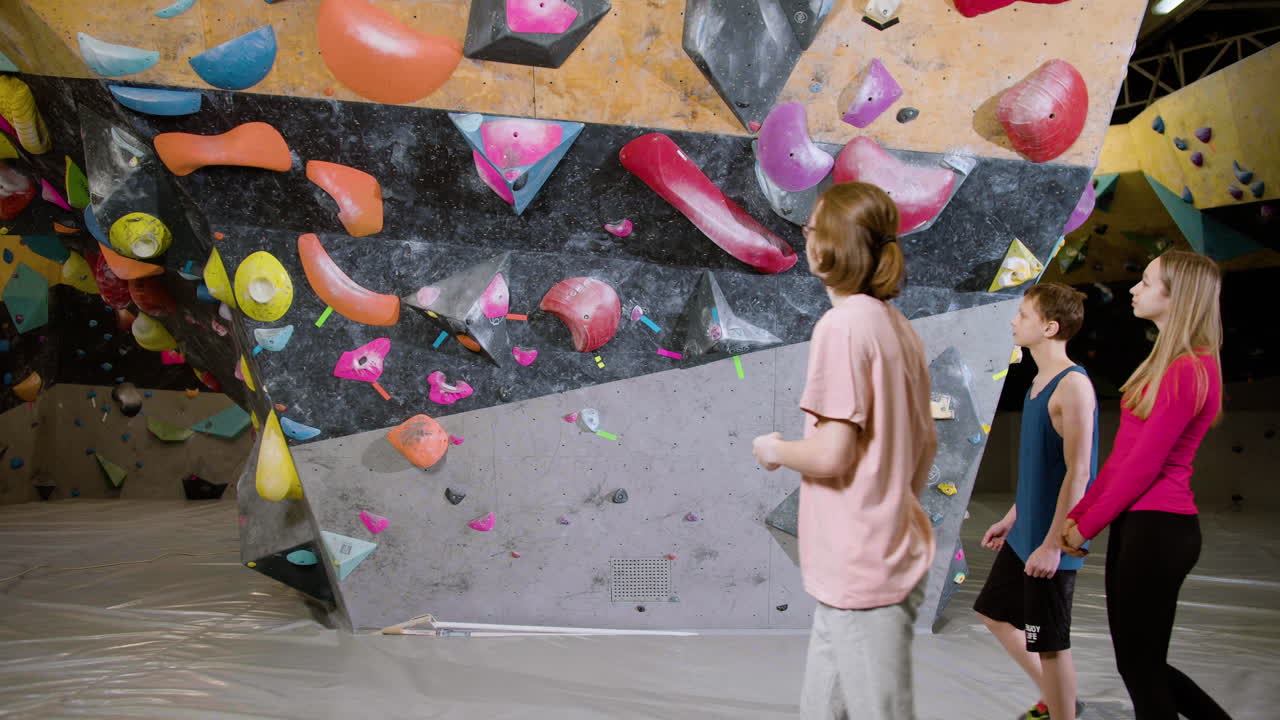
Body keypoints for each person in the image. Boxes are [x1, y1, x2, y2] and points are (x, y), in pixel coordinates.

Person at [752, 182, 935, 720]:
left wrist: (776, 449)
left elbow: (833, 455)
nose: (806, 235)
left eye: (810, 227)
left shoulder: (844, 325)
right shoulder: (898, 327)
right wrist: (890, 506)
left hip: (859, 560)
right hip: (876, 552)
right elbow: (926, 441)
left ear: (825, 245)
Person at [1059, 250, 1232, 720]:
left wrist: (1088, 524)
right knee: (1140, 664)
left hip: (1159, 529)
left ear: (1177, 296)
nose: (1134, 289)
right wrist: (1081, 515)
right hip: (1142, 525)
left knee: (1141, 666)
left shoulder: (1189, 369)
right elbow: (1123, 458)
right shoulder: (1170, 364)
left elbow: (1144, 467)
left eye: (1148, 282)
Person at [974, 283, 1098, 720]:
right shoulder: (1036, 383)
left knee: (1049, 645)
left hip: (1052, 540)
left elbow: (1078, 473)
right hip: (1027, 532)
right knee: (993, 612)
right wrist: (1013, 516)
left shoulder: (1073, 386)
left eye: (1024, 315)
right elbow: (1040, 469)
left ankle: (1062, 710)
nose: (1014, 321)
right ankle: (1059, 699)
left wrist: (1051, 545)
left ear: (1049, 327)